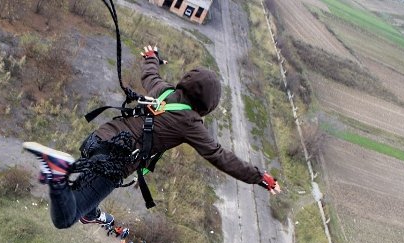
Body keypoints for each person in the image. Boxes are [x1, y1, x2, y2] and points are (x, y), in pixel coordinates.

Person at [23, 45, 280, 229]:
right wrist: (260, 177)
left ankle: (90, 212)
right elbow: (219, 156)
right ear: (207, 105)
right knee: (65, 218)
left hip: (100, 139)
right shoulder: (190, 123)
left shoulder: (164, 91)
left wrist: (151, 57)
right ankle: (58, 175)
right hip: (115, 160)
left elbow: (150, 75)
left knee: (85, 191)